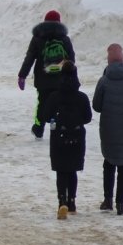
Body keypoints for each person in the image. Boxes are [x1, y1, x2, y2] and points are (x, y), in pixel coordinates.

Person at [39, 61, 92, 219]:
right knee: (72, 171)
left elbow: (45, 116)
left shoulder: (55, 96)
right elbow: (88, 117)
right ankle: (72, 201)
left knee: (61, 171)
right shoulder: (81, 97)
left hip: (58, 138)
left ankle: (62, 200)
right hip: (77, 137)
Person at [92, 43, 123, 216]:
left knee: (109, 164)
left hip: (109, 131)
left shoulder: (104, 81)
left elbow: (96, 106)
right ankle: (121, 204)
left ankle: (107, 200)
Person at [17, 10, 75, 139]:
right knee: (59, 103)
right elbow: (71, 59)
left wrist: (22, 75)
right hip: (60, 78)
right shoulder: (64, 38)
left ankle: (39, 127)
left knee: (42, 102)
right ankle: (56, 126)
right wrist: (71, 76)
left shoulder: (38, 38)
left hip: (42, 79)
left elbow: (30, 58)